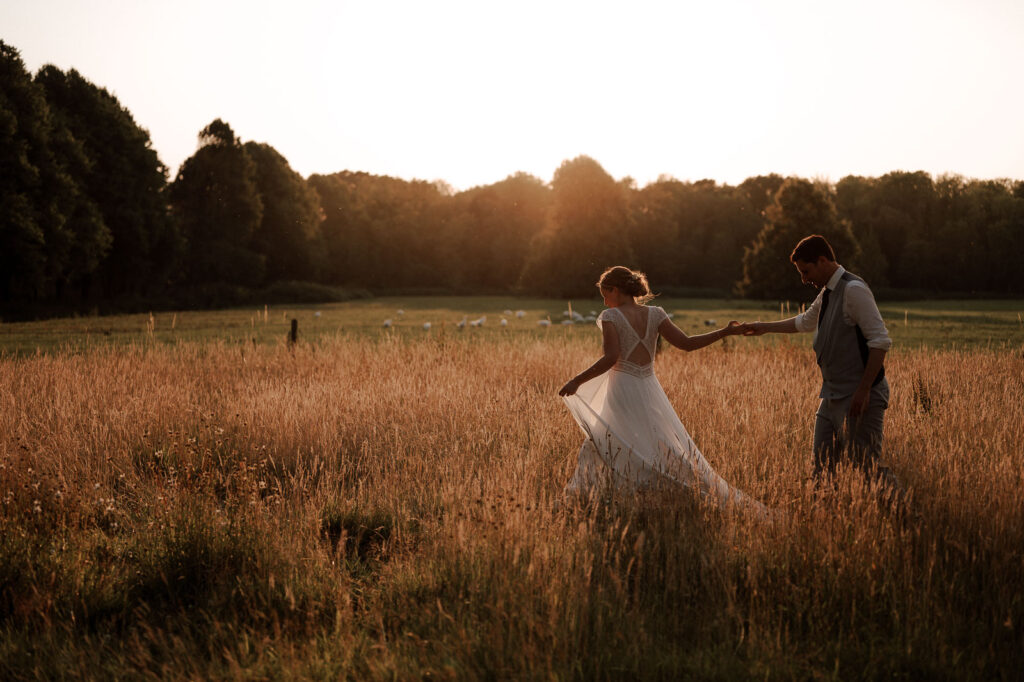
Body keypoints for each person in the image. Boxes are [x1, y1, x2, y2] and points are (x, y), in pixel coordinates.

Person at [558, 266, 766, 513]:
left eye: (605, 294)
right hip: (648, 388)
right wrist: (725, 331)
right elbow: (687, 344)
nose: (604, 301)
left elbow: (611, 357)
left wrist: (576, 381)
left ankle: (591, 500)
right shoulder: (656, 314)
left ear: (615, 290)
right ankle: (627, 499)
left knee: (604, 442)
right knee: (654, 444)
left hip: (623, 389)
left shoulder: (610, 317)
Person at [741, 234, 896, 486]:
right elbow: (805, 322)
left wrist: (864, 390)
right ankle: (825, 518)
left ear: (823, 260)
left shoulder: (853, 290)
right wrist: (762, 327)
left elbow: (880, 342)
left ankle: (906, 517)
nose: (804, 279)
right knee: (821, 470)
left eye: (806, 271)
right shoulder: (827, 292)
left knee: (865, 469)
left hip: (861, 397)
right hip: (832, 396)